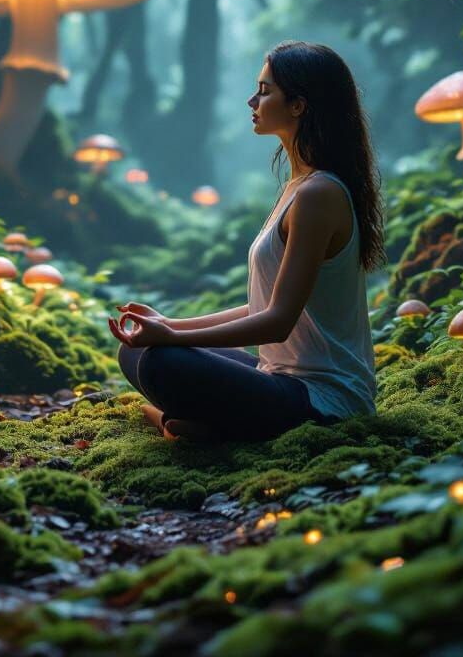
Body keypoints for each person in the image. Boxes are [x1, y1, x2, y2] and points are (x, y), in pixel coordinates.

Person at [108, 41, 385, 442]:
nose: (252, 100)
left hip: (324, 404)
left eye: (265, 91)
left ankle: (199, 429)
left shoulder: (319, 194)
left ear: (298, 105)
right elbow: (265, 305)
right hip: (277, 378)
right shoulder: (299, 186)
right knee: (135, 351)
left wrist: (174, 338)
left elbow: (277, 322)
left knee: (161, 363)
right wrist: (168, 325)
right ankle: (202, 426)